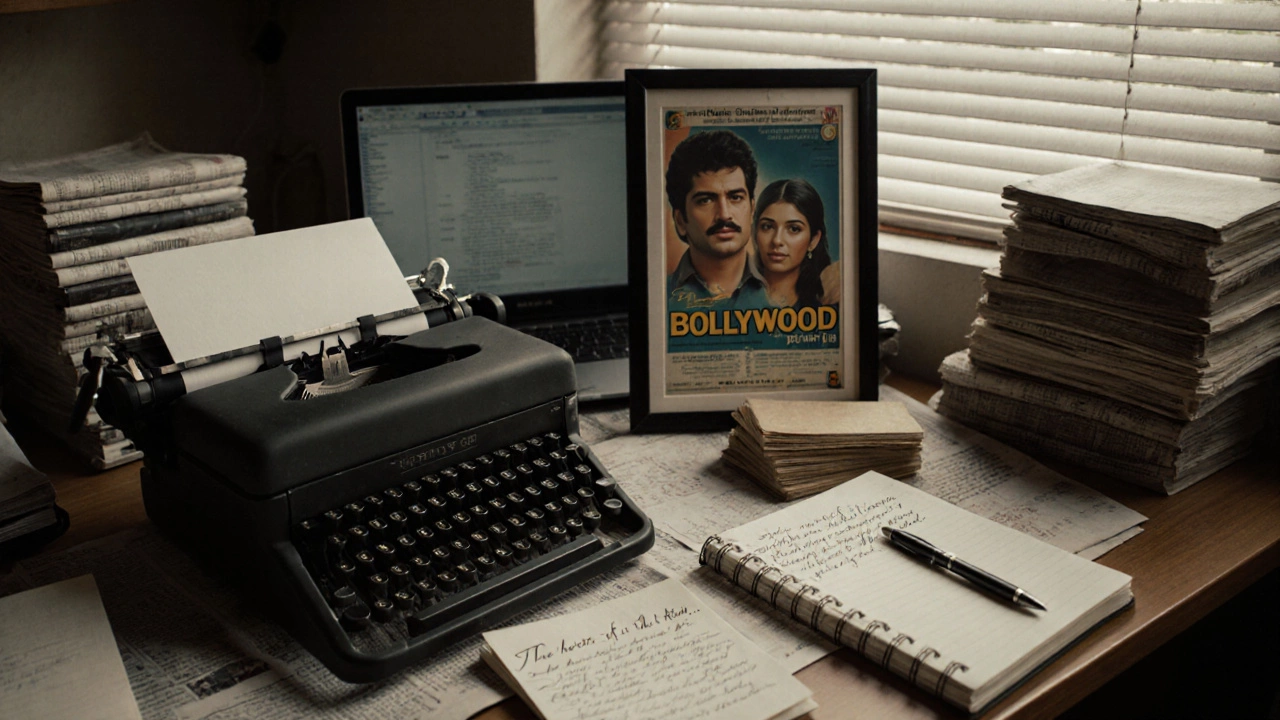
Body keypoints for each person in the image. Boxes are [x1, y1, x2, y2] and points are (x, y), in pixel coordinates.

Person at [665, 130, 770, 311]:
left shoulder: (790, 294)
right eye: (705, 200)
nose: (724, 214)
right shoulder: (659, 299)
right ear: (680, 220)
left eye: (735, 197)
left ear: (752, 210)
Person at [751, 178, 838, 308]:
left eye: (794, 229)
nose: (777, 240)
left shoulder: (826, 312)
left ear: (813, 240)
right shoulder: (728, 300)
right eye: (767, 226)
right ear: (755, 231)